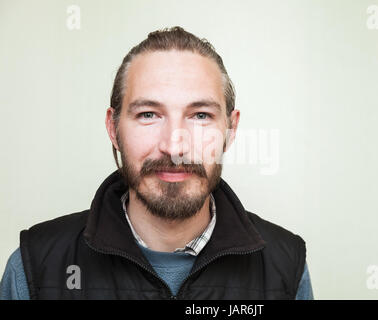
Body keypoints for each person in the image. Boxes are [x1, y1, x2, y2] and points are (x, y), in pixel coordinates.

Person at [0, 27, 313, 300]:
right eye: (148, 114)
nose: (174, 146)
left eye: (200, 115)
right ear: (113, 128)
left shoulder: (286, 266)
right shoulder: (34, 269)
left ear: (230, 130)